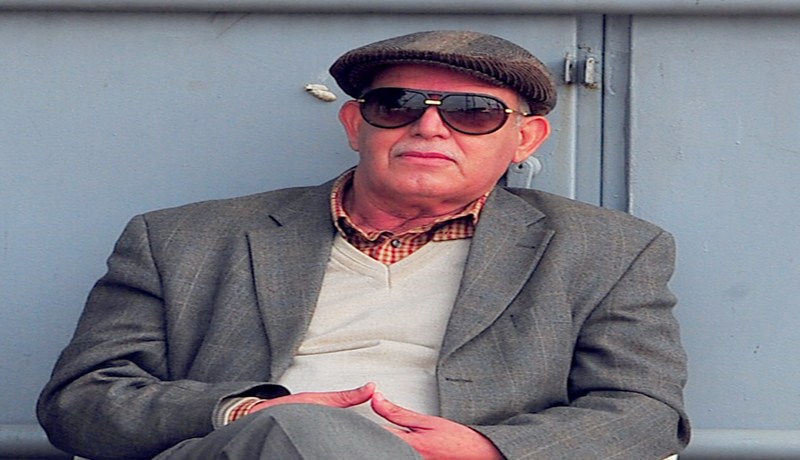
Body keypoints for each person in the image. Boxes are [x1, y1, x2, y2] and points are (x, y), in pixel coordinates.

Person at [38, 30, 690, 459]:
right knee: (296, 431)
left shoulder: (606, 249)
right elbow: (81, 401)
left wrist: (487, 449)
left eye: (472, 112)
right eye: (397, 105)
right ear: (356, 125)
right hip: (246, 450)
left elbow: (645, 412)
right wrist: (243, 412)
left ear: (525, 139)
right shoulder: (183, 239)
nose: (429, 127)